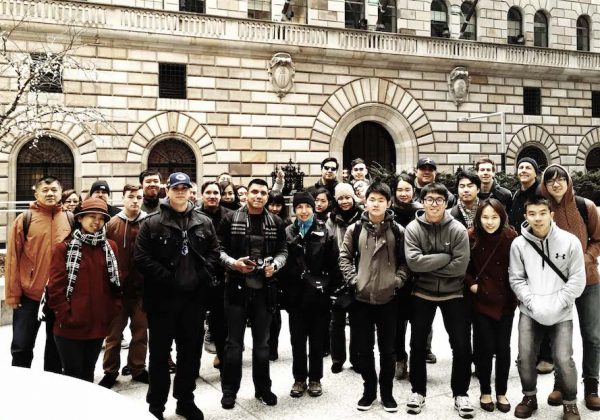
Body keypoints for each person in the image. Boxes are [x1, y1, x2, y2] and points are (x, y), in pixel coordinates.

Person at [135, 172, 220, 420]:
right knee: (160, 355)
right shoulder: (151, 222)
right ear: (168, 191)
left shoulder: (204, 222)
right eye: (176, 188)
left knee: (190, 354)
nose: (180, 191)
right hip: (162, 300)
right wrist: (168, 278)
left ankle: (185, 400)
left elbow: (214, 253)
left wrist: (200, 276)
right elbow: (141, 258)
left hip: (193, 300)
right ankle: (156, 406)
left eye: (185, 187)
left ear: (190, 191)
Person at [509, 196, 585, 420]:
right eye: (532, 214)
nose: (537, 218)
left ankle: (570, 402)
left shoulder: (570, 241)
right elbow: (516, 279)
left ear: (551, 215)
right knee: (525, 357)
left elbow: (577, 279)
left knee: (564, 358)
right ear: (526, 216)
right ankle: (529, 396)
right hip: (530, 311)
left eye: (542, 213)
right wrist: (531, 303)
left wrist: (560, 301)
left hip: (561, 311)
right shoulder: (519, 244)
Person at [404, 183, 473, 418]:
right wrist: (445, 257)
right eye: (429, 199)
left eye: (439, 200)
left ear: (446, 203)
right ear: (422, 202)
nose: (434, 204)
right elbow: (413, 263)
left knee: (461, 345)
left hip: (454, 293)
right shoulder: (413, 228)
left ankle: (461, 394)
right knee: (417, 344)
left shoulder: (457, 229)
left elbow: (460, 267)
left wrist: (428, 265)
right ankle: (418, 391)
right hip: (422, 292)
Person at [339, 182, 410, 412]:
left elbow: (405, 262)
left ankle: (387, 393)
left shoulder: (398, 231)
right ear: (365, 202)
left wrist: (397, 281)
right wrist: (353, 280)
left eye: (381, 200)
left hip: (389, 299)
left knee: (387, 349)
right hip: (361, 299)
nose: (376, 204)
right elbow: (345, 257)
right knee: (363, 348)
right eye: (372, 199)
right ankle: (369, 391)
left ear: (389, 203)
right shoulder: (355, 229)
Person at [218, 179, 288, 409]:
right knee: (233, 344)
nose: (258, 196)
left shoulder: (276, 222)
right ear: (246, 194)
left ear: (268, 196)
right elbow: (218, 249)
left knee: (262, 344)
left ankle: (263, 388)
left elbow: (282, 251)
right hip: (236, 287)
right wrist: (233, 263)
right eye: (254, 192)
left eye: (262, 193)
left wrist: (275, 266)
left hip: (264, 290)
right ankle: (229, 391)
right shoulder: (229, 218)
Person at [540, 164, 600, 411]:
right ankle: (560, 383)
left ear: (568, 181)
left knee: (592, 336)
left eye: (561, 179)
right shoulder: (541, 208)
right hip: (556, 284)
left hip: (588, 281)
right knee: (559, 336)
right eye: (551, 180)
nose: (556, 183)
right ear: (545, 184)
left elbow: (597, 240)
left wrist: (585, 258)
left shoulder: (586, 206)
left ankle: (592, 387)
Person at [47, 197, 121, 381]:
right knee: (72, 377)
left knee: (88, 375)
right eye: (91, 216)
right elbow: (55, 288)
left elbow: (115, 285)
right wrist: (65, 315)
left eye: (101, 218)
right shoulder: (63, 248)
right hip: (69, 327)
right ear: (79, 218)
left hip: (97, 325)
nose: (96, 222)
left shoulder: (110, 247)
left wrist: (111, 311)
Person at [5, 176, 71, 373]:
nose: (50, 193)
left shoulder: (70, 218)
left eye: (54, 190)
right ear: (36, 194)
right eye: (45, 190)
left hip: (58, 295)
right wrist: (13, 294)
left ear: (61, 193)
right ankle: (20, 384)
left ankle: (51, 386)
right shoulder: (24, 219)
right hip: (29, 295)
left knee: (55, 348)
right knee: (21, 346)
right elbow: (12, 258)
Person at [283, 191, 339, 398]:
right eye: (299, 207)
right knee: (297, 340)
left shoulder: (326, 231)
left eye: (307, 206)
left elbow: (334, 264)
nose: (303, 211)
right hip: (295, 296)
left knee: (317, 340)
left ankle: (315, 378)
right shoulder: (288, 231)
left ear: (313, 207)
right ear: (294, 210)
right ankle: (299, 379)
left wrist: (332, 293)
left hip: (319, 295)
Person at [465, 199, 517, 413]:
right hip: (481, 299)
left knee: (503, 348)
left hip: (505, 300)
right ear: (478, 218)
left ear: (502, 217)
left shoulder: (511, 238)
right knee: (484, 347)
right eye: (485, 217)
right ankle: (485, 390)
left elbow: (519, 267)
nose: (489, 222)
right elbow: (463, 266)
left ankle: (502, 391)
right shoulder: (471, 236)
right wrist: (473, 286)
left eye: (494, 217)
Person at [100, 185, 149, 389]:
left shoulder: (149, 222)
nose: (135, 201)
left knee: (140, 333)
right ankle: (110, 371)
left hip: (142, 290)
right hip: (117, 290)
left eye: (139, 197)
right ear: (123, 198)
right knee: (113, 335)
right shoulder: (112, 224)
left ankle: (137, 368)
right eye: (131, 197)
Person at [390, 173, 426, 379]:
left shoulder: (421, 212)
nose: (404, 194)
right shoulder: (389, 214)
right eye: (400, 190)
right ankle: (399, 359)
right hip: (397, 275)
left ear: (414, 191)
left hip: (420, 276)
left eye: (407, 189)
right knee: (397, 323)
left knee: (419, 323)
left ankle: (416, 359)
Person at [198, 181, 233, 372]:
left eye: (216, 193)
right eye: (209, 192)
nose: (213, 196)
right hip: (199, 276)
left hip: (223, 276)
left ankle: (223, 359)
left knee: (222, 323)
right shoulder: (194, 215)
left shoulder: (229, 216)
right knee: (195, 325)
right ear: (202, 195)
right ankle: (192, 364)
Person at [326, 182, 361, 374]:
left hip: (360, 274)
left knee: (357, 320)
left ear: (354, 197)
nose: (345, 201)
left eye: (348, 197)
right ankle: (338, 358)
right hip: (338, 275)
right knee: (336, 321)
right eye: (340, 198)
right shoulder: (331, 220)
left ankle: (356, 358)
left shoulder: (363, 217)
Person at [509, 157, 540, 231]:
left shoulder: (541, 194)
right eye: (521, 168)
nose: (523, 170)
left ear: (535, 173)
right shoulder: (516, 194)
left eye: (528, 168)